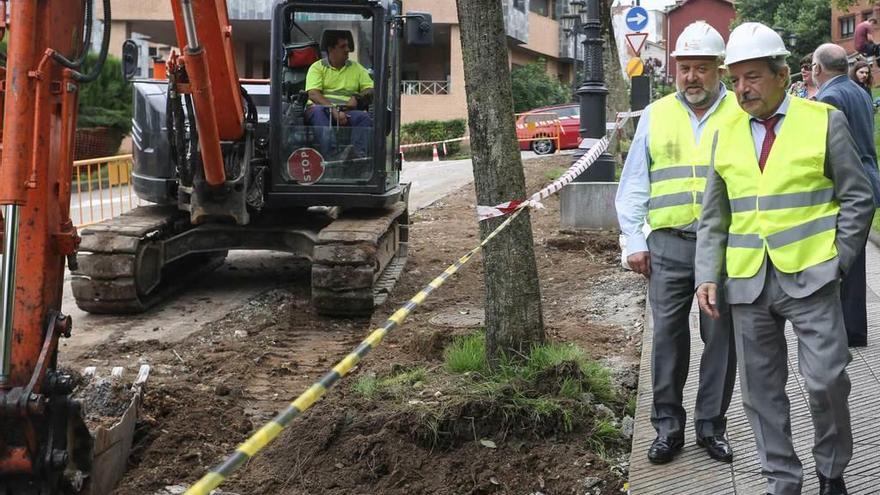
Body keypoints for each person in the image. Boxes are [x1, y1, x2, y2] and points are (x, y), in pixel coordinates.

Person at [696, 22, 874, 495]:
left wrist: (840, 259)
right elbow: (714, 217)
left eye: (751, 77)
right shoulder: (724, 132)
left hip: (813, 276)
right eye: (734, 80)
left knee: (827, 381)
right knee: (759, 393)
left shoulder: (823, 121)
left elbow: (858, 197)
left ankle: (831, 471)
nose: (741, 89)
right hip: (747, 282)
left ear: (782, 75)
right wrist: (706, 276)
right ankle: (782, 480)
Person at [615, 21, 738, 466]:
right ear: (675, 69)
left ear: (718, 70)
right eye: (685, 68)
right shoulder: (656, 113)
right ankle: (668, 427)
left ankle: (711, 426)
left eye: (701, 69)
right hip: (666, 245)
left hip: (722, 249)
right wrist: (632, 239)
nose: (691, 77)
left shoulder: (739, 114)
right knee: (667, 337)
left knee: (720, 337)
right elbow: (634, 182)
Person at [813, 43, 880, 348]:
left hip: (845, 188)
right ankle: (855, 329)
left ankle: (847, 330)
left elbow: (828, 151)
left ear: (817, 69)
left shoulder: (829, 97)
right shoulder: (860, 93)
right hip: (869, 182)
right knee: (855, 263)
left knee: (840, 260)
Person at [305, 31, 374, 160]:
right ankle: (332, 157)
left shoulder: (357, 68)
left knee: (363, 117)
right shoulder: (317, 68)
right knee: (318, 112)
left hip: (347, 112)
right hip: (322, 110)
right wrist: (333, 110)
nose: (348, 50)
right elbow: (313, 94)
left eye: (348, 46)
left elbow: (370, 89)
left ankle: (357, 157)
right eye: (343, 46)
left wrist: (358, 97)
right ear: (331, 49)